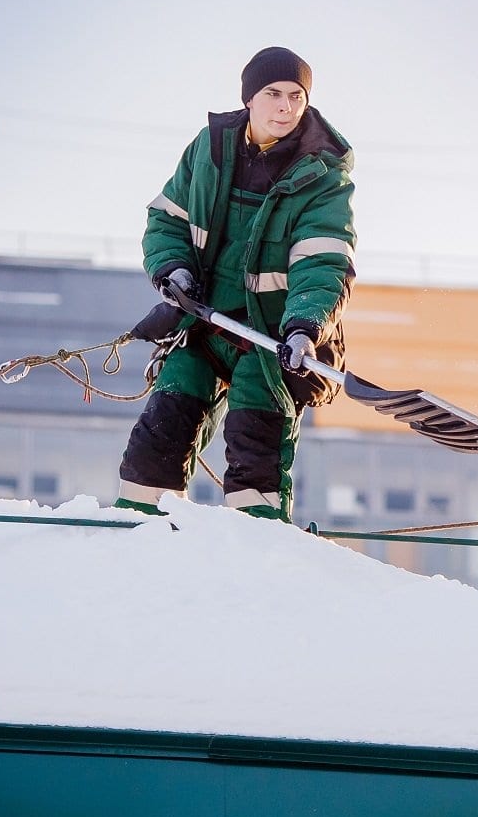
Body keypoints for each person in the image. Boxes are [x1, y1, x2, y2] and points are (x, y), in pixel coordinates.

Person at [114, 46, 356, 521]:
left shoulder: (324, 175)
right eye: (273, 94)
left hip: (274, 336)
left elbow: (323, 262)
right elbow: (167, 220)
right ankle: (137, 526)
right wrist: (173, 271)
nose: (285, 106)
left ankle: (258, 535)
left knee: (255, 430)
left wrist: (305, 326)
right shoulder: (210, 148)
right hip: (204, 323)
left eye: (295, 96)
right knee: (167, 416)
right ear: (249, 98)